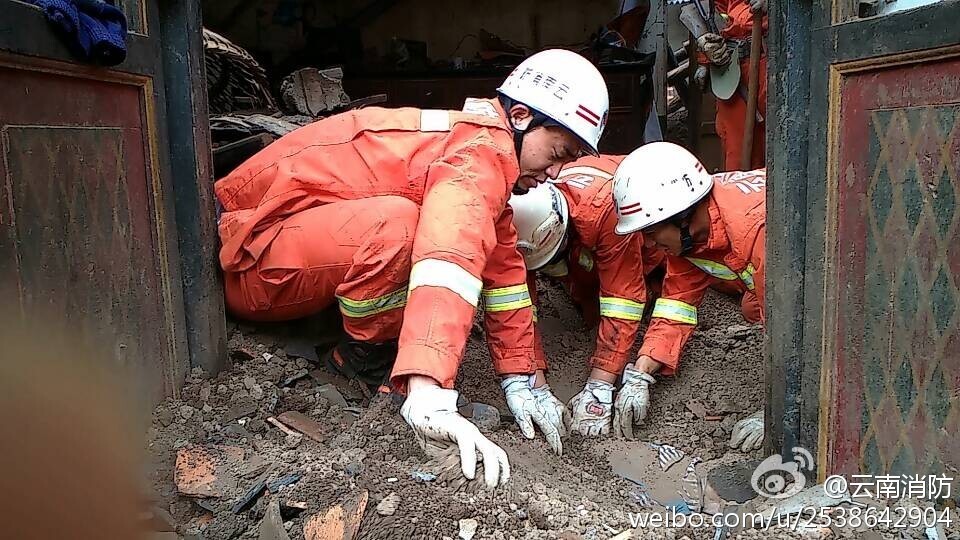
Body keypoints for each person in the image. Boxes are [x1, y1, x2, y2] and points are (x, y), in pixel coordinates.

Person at [215, 49, 610, 488]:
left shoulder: (481, 147)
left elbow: (506, 281)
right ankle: (364, 360)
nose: (554, 173)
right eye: (557, 152)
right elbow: (449, 257)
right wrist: (430, 390)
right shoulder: (477, 156)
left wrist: (526, 380)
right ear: (519, 116)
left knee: (403, 226)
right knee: (400, 227)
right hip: (249, 261)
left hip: (276, 243)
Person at [612, 142, 766, 450]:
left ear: (681, 217)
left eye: (652, 234)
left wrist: (781, 411)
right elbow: (675, 306)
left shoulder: (757, 231)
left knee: (767, 312)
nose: (651, 245)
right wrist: (639, 374)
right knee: (755, 307)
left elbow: (804, 331)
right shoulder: (697, 233)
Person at [507, 155, 665, 438]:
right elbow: (518, 308)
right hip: (580, 245)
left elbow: (622, 300)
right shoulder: (518, 221)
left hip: (642, 238)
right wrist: (535, 384)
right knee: (584, 292)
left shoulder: (606, 209)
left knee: (643, 282)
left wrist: (601, 385)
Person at [694, 0, 768, 170]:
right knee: (737, 161)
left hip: (777, 64)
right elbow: (722, 21)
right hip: (734, 71)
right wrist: (706, 55)